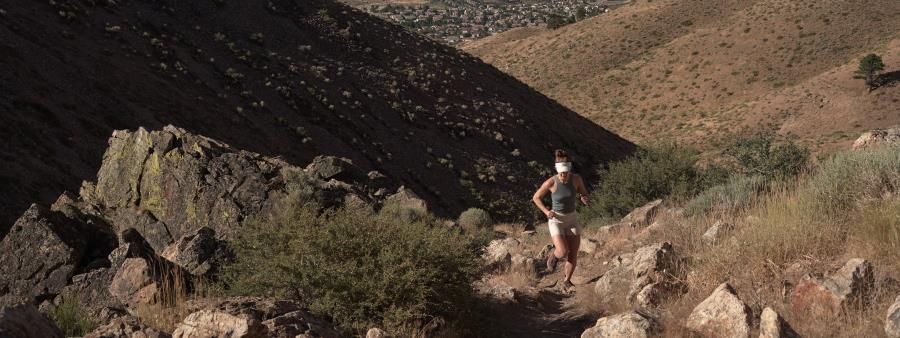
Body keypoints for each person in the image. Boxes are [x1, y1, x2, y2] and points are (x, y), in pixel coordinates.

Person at [531, 149, 589, 289]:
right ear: (557, 170)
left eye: (566, 173)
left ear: (569, 170)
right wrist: (546, 211)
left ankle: (567, 281)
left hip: (571, 219)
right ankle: (554, 256)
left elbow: (583, 191)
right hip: (556, 219)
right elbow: (536, 197)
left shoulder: (576, 179)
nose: (563, 175)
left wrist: (583, 197)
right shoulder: (551, 182)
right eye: (561, 173)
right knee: (563, 251)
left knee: (573, 253)